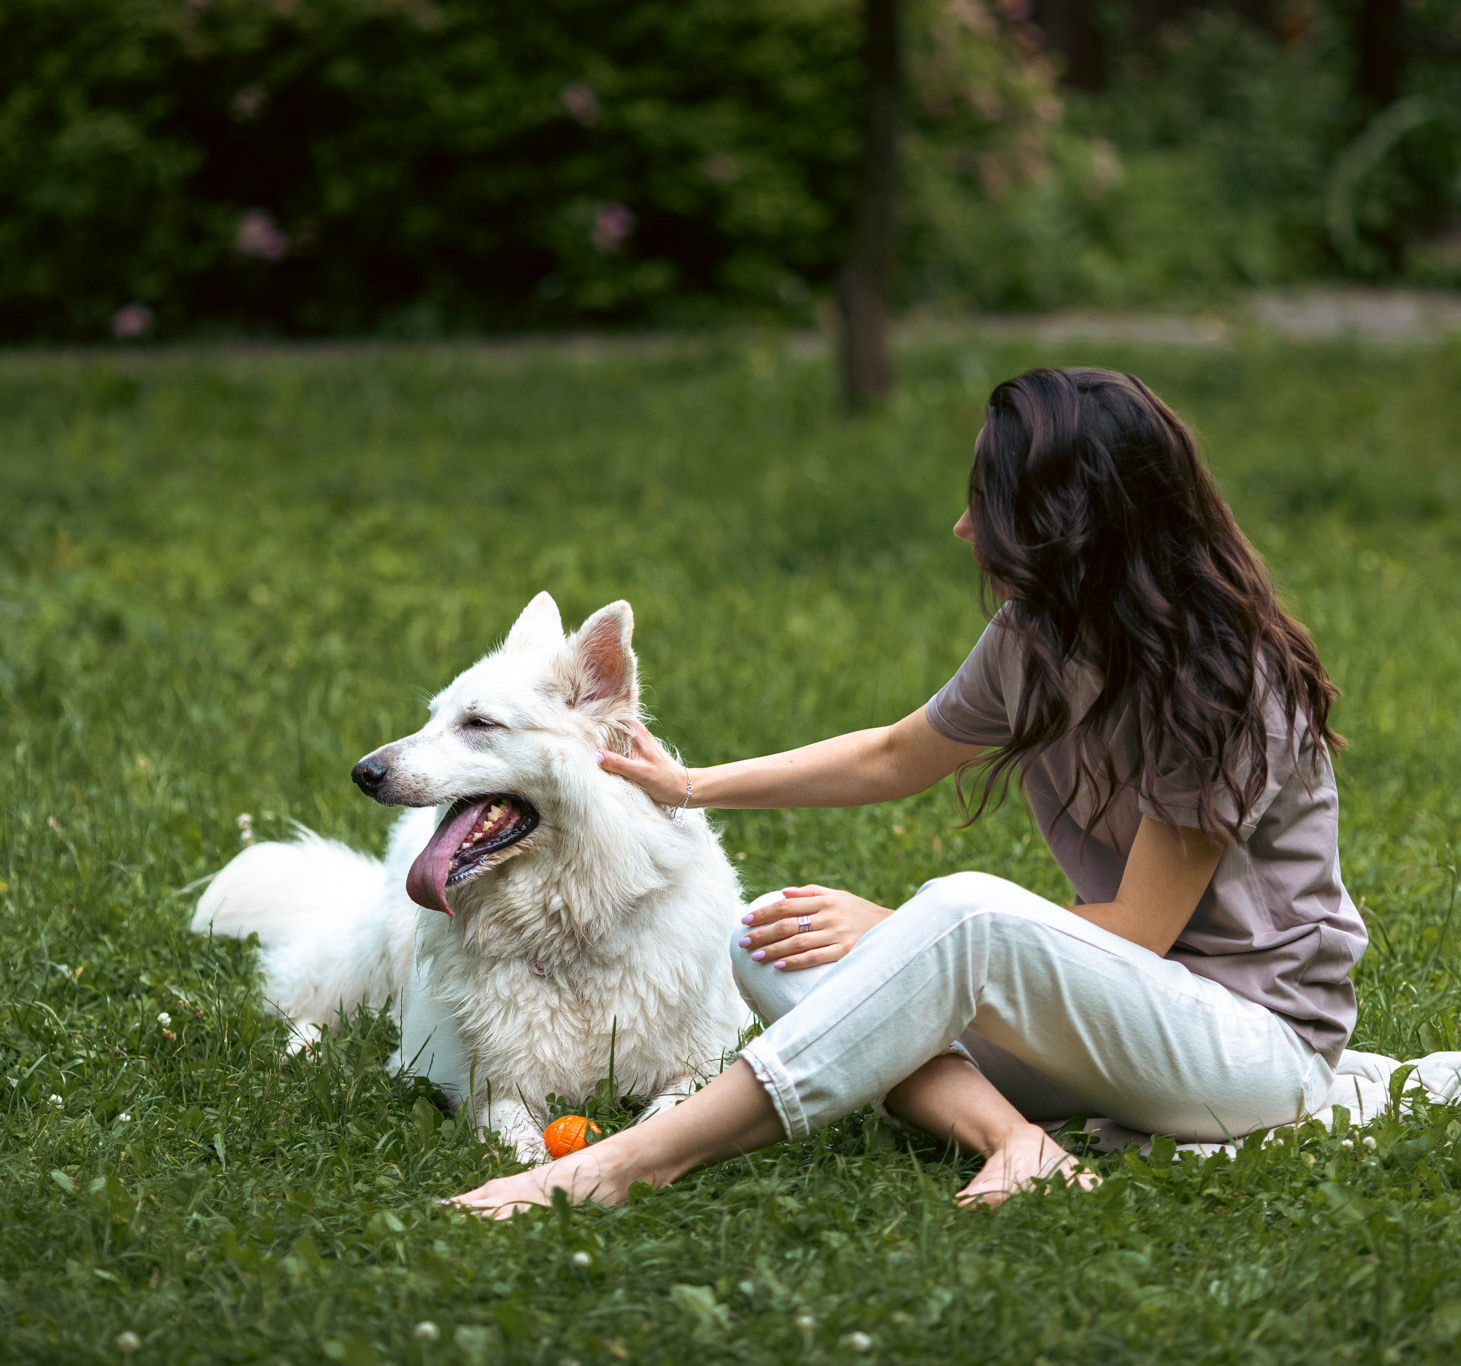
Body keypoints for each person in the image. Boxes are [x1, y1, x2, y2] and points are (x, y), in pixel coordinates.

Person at [447, 367, 1366, 1216]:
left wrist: (900, 929)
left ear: (1068, 522)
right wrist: (687, 785)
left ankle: (623, 1164)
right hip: (1111, 1031)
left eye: (989, 506)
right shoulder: (1036, 637)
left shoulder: (1224, 679)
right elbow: (895, 756)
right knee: (776, 936)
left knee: (960, 911)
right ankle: (1017, 1144)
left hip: (1251, 1050)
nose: (966, 530)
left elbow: (1140, 930)